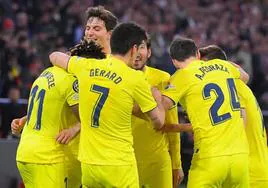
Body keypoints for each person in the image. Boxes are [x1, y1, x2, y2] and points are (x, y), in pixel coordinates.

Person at [12, 6, 118, 188]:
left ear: (110, 34)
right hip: (62, 151)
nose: (90, 32)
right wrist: (29, 118)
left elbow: (108, 110)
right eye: (88, 28)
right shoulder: (74, 63)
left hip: (93, 152)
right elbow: (60, 95)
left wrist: (76, 127)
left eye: (97, 28)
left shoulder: (115, 68)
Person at [49, 22, 166, 187]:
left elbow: (54, 56)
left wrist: (73, 62)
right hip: (119, 166)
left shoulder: (86, 66)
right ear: (133, 49)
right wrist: (158, 99)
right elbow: (158, 121)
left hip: (89, 166)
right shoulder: (135, 78)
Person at [161, 37, 250, 188]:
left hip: (210, 157)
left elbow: (163, 106)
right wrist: (223, 63)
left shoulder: (182, 75)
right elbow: (245, 77)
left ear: (174, 62)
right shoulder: (222, 65)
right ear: (197, 54)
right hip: (240, 157)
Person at [199, 45, 268, 188]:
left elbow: (239, 127)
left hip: (249, 175)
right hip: (253, 171)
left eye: (205, 66)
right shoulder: (235, 84)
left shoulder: (232, 87)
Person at [131, 37, 183, 188]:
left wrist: (176, 164)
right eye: (132, 48)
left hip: (158, 160)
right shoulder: (116, 79)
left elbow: (172, 123)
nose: (137, 53)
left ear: (149, 52)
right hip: (126, 160)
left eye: (141, 47)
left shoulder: (163, 79)